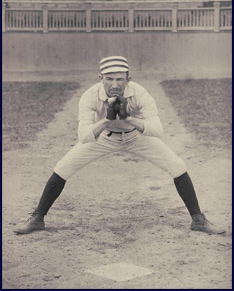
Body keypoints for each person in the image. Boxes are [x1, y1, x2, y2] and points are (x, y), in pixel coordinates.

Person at [14, 56, 225, 235]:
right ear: (100, 79)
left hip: (136, 137)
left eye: (120, 79)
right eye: (109, 79)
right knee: (63, 168)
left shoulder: (139, 93)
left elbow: (158, 130)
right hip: (104, 136)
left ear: (128, 79)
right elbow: (84, 136)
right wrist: (107, 119)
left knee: (177, 165)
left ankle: (198, 220)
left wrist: (129, 118)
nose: (114, 84)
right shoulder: (90, 95)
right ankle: (37, 218)